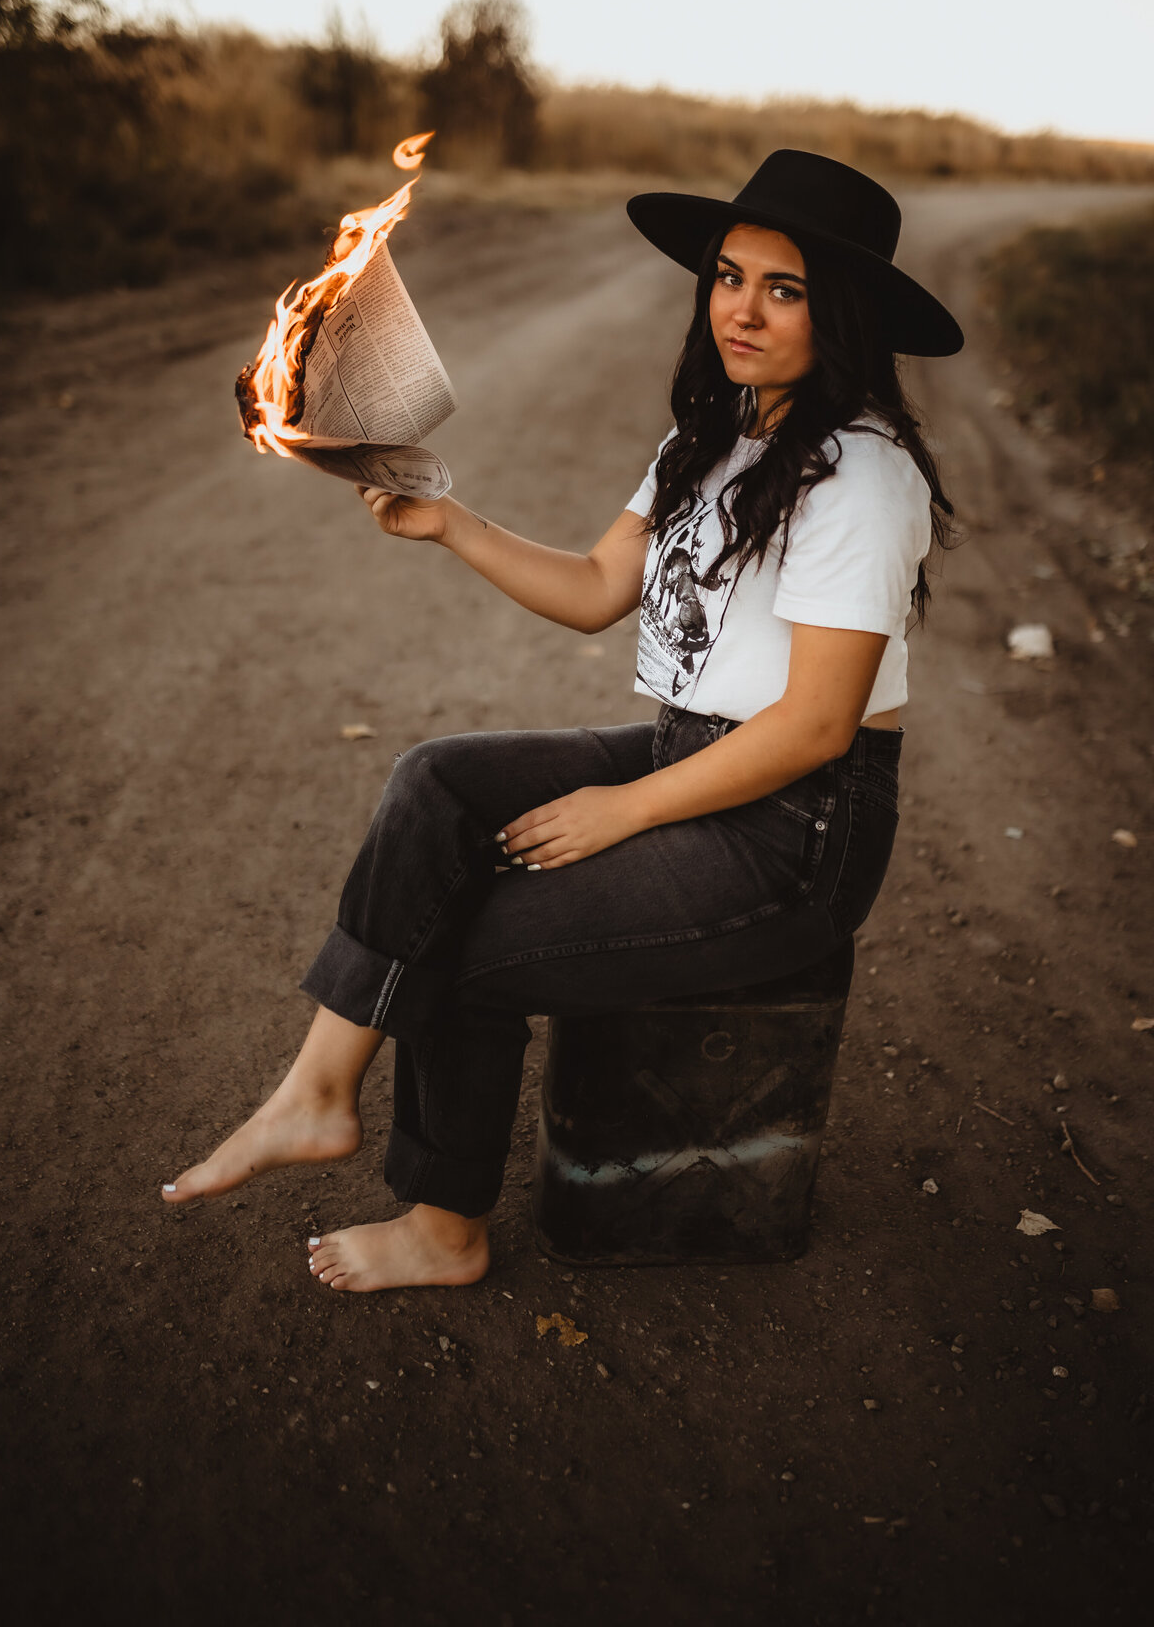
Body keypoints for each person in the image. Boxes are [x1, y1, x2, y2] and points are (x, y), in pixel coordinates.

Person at [162, 149, 962, 1293]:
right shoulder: (714, 436)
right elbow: (596, 589)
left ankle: (444, 1228)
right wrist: (448, 521)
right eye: (729, 277)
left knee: (474, 949)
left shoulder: (864, 477)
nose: (741, 308)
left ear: (842, 314)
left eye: (782, 290)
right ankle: (320, 1091)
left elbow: (817, 728)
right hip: (702, 755)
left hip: (796, 835)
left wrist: (618, 810)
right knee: (439, 782)